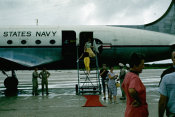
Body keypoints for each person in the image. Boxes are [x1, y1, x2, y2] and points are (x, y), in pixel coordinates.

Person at [122, 53, 148, 117]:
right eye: (142, 65)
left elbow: (123, 87)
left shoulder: (128, 75)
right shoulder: (134, 77)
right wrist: (138, 101)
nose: (143, 67)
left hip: (130, 111)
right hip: (137, 112)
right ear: (135, 66)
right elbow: (131, 90)